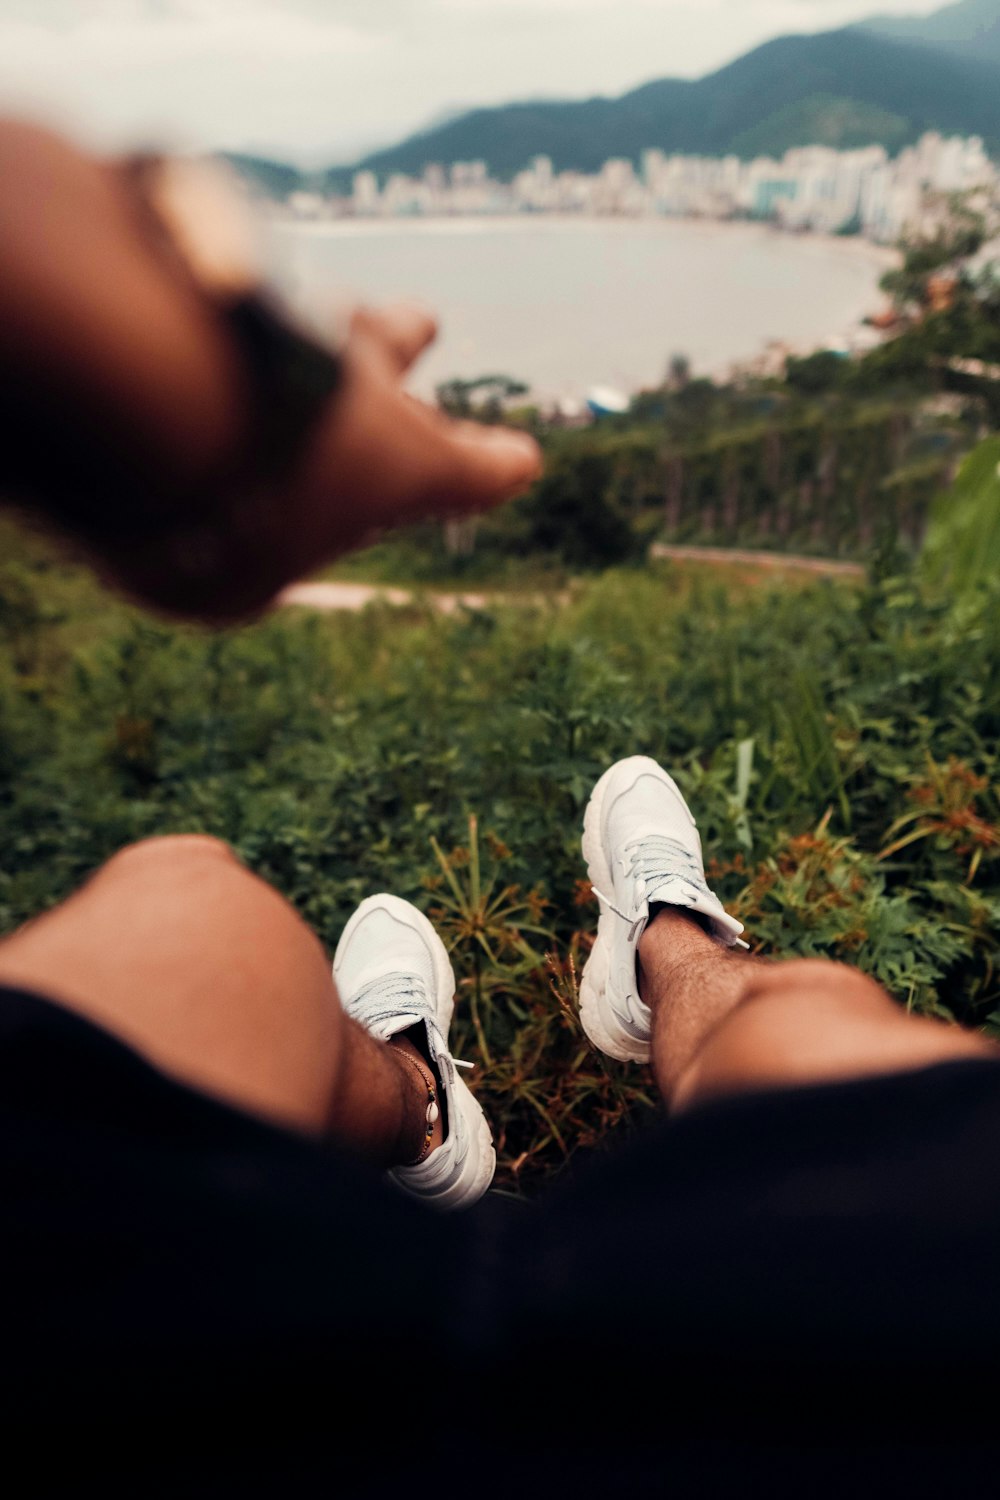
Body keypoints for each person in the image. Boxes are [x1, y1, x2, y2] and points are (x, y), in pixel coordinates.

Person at [3, 120, 1000, 1496]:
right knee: (816, 1028)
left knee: (188, 903)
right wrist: (260, 414)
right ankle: (671, 953)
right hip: (879, 1385)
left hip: (107, 1354)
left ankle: (414, 1104)